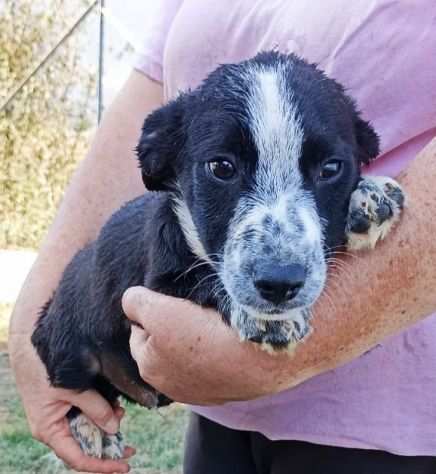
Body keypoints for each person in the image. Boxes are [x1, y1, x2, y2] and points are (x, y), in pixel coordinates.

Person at [9, 1, 436, 473]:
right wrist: (32, 325)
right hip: (222, 415)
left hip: (391, 420)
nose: (279, 252)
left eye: (331, 168)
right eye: (223, 168)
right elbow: (147, 88)